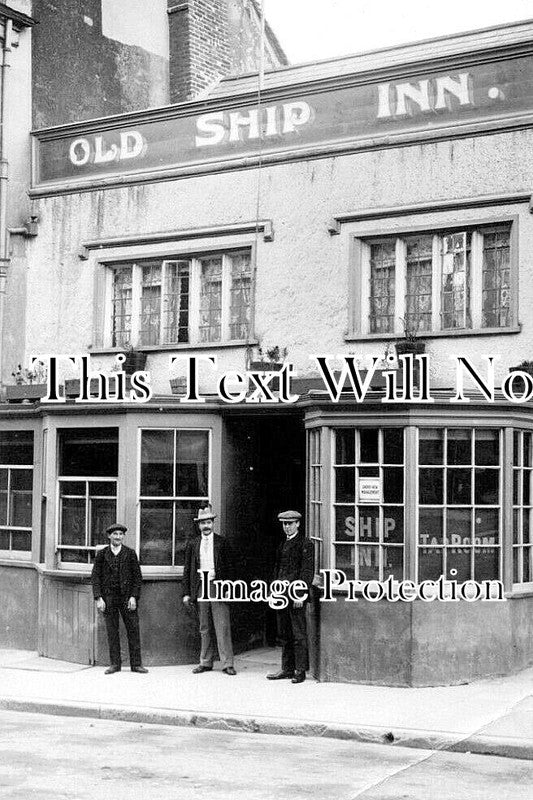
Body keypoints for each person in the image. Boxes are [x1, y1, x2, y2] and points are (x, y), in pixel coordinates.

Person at [183, 505, 236, 675]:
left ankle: (227, 663)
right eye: (202, 523)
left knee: (222, 625)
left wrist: (228, 587)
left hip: (217, 585)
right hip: (200, 586)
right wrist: (186, 592)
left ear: (213, 523)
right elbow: (187, 569)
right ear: (198, 525)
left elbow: (230, 567)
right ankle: (205, 662)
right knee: (204, 626)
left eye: (208, 522)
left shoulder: (222, 542)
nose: (206, 526)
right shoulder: (193, 544)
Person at [91, 523, 148, 674]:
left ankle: (136, 665)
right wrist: (98, 598)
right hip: (109, 599)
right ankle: (115, 665)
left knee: (133, 630)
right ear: (109, 536)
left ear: (123, 536)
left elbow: (137, 577)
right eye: (115, 534)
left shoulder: (130, 553)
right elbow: (95, 577)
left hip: (127, 598)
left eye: (120, 534)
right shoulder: (102, 554)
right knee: (112, 631)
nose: (118, 537)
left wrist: (134, 597)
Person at [267, 510, 314, 684]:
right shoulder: (282, 545)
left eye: (290, 523)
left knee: (298, 634)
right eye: (285, 524)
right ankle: (287, 668)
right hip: (281, 595)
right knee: (284, 633)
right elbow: (277, 570)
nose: (287, 527)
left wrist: (300, 594)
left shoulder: (305, 544)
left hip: (296, 596)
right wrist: (274, 591)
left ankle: (300, 670)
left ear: (298, 524)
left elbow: (307, 571)